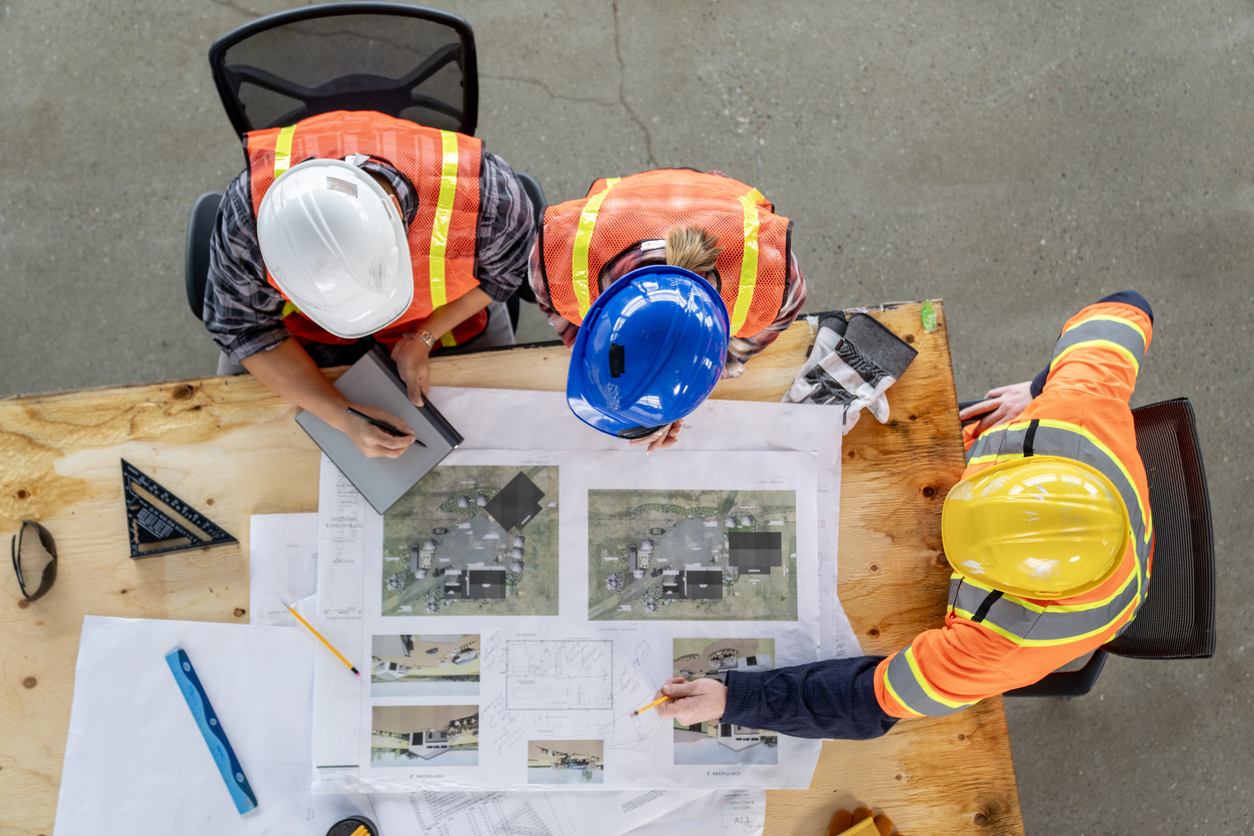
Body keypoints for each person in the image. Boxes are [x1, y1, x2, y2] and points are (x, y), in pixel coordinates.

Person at [652, 291, 1155, 739]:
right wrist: (1043, 387)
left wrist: (733, 700)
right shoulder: (1077, 406)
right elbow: (1128, 307)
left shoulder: (1013, 641)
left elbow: (867, 700)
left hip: (1106, 603)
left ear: (1007, 588)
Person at [203, 110, 534, 459]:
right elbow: (243, 327)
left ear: (393, 210)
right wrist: (340, 415)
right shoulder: (249, 216)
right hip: (305, 335)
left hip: (438, 322)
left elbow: (505, 274)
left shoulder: (487, 199)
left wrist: (424, 336)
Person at [529, 168, 807, 451]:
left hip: (710, 202)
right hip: (646, 200)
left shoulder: (769, 274)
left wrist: (691, 383)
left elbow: (789, 305)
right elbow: (548, 298)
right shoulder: (557, 257)